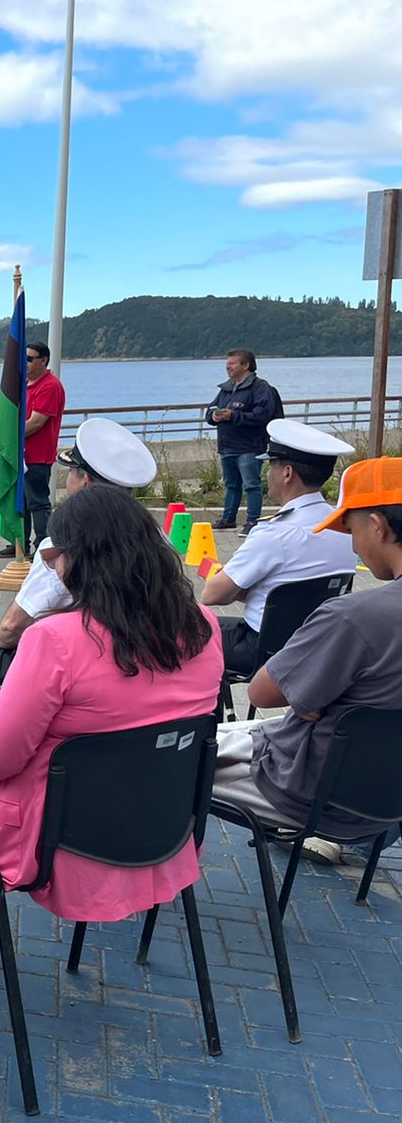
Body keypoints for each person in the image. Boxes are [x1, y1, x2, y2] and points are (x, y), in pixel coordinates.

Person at [0, 486, 222, 966]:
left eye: (52, 557)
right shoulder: (203, 628)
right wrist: (4, 709)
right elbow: (127, 711)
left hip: (59, 837)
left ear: (77, 561)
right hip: (160, 822)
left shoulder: (55, 639)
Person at [211, 457, 402, 864]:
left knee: (180, 754)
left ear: (377, 526)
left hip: (312, 792)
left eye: (350, 529)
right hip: (387, 798)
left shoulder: (356, 616)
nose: (352, 545)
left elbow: (262, 692)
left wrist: (315, 696)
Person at [0, 418, 157, 687]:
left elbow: (12, 628)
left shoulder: (62, 545)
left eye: (71, 471)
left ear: (85, 480)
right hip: (141, 661)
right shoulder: (157, 540)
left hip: (73, 668)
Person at [201, 419, 356, 674]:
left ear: (287, 473)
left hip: (265, 649)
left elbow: (212, 595)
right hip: (321, 645)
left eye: (270, 465)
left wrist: (244, 590)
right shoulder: (343, 528)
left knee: (189, 634)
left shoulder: (274, 534)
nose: (266, 474)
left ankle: (206, 712)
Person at [0, 341, 66, 558]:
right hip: (20, 454)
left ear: (43, 360)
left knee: (37, 502)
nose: (24, 363)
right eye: (22, 358)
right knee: (21, 502)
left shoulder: (50, 386)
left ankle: (43, 545)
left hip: (37, 456)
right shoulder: (25, 384)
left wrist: (7, 439)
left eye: (29, 359)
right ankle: (20, 543)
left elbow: (36, 422)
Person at [206, 348, 282, 533]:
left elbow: (262, 416)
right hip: (227, 445)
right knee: (231, 484)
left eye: (232, 363)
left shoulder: (261, 388)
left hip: (250, 446)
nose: (227, 367)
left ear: (246, 365)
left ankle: (253, 522)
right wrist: (213, 417)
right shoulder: (225, 389)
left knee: (251, 484)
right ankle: (228, 518)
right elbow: (209, 411)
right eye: (227, 364)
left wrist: (233, 416)